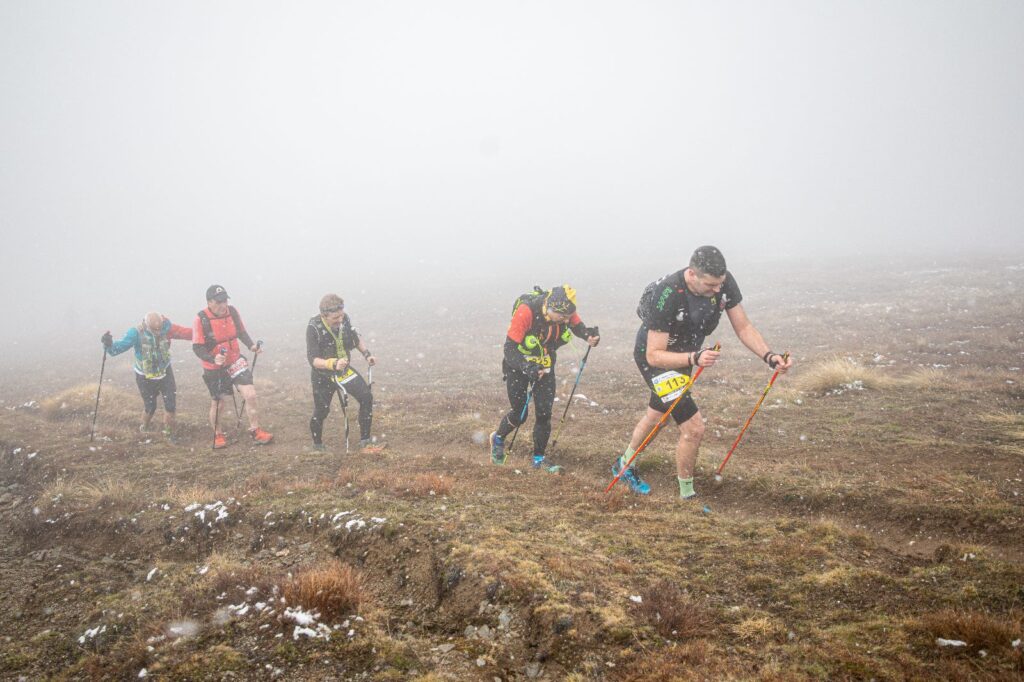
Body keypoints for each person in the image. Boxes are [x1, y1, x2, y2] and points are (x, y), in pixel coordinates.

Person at [613, 245, 793, 498]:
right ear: (692, 275)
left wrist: (769, 356)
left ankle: (624, 466)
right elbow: (654, 354)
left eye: (720, 284)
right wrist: (694, 357)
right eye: (710, 285)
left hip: (687, 357)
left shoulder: (723, 282)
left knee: (657, 416)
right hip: (657, 360)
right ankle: (687, 496)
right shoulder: (667, 294)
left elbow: (743, 327)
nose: (717, 290)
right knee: (693, 428)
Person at [489, 285, 600, 468]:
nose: (564, 321)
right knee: (520, 414)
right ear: (550, 308)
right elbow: (509, 349)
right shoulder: (526, 311)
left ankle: (538, 459)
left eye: (567, 317)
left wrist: (589, 336)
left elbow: (578, 326)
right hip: (518, 366)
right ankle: (498, 439)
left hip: (545, 366)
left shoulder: (565, 309)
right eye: (561, 317)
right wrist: (527, 366)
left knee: (544, 413)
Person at [191, 285, 273, 448]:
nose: (223, 305)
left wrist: (251, 346)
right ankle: (218, 434)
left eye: (225, 301)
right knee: (219, 403)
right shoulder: (201, 319)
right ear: (209, 302)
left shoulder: (232, 312)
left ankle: (255, 430)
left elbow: (241, 332)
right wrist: (213, 358)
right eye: (219, 302)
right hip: (214, 367)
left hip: (235, 360)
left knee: (250, 395)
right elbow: (197, 347)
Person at [306, 294, 385, 453]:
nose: (340, 320)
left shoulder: (345, 319)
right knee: (322, 411)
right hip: (323, 375)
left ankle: (365, 442)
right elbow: (313, 359)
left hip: (343, 370)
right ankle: (318, 446)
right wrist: (332, 363)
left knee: (366, 397)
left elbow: (355, 339)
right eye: (335, 317)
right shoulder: (313, 327)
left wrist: (367, 354)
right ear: (324, 315)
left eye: (341, 315)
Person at [100, 312, 192, 441]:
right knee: (150, 407)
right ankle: (144, 427)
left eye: (160, 328)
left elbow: (186, 333)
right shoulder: (136, 333)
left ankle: (169, 433)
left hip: (165, 372)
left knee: (170, 405)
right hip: (144, 376)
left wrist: (205, 333)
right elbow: (117, 349)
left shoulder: (167, 327)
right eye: (155, 329)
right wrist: (108, 345)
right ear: (147, 325)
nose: (158, 331)